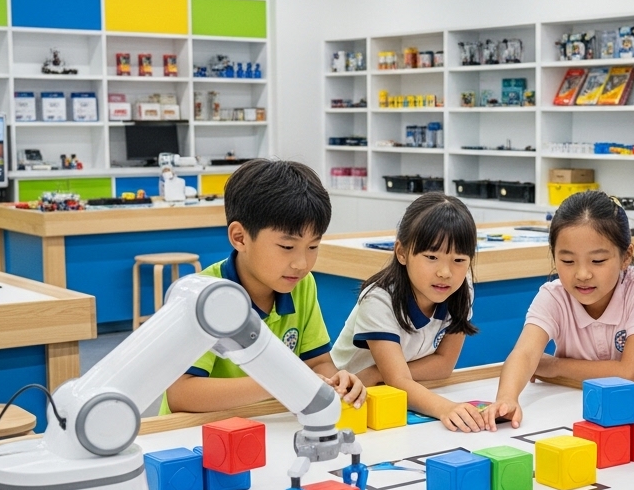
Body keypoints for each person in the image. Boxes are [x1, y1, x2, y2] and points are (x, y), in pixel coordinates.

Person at [163, 159, 366, 414]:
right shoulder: (204, 297)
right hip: (196, 434)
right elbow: (181, 395)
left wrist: (336, 382)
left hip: (266, 426)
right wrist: (281, 382)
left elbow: (317, 363)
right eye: (287, 247)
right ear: (240, 237)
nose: (302, 264)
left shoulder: (301, 285)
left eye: (313, 246)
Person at [488, 191, 634, 428]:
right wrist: (506, 399)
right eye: (567, 261)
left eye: (597, 261)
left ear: (626, 256)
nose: (582, 274)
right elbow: (524, 354)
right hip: (576, 408)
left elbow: (629, 376)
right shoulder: (553, 295)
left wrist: (553, 366)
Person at [331, 193, 484, 432]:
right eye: (431, 257)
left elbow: (444, 365)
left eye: (459, 259)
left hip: (394, 389)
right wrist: (445, 408)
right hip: (349, 401)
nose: (445, 272)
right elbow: (398, 380)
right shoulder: (379, 299)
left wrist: (376, 373)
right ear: (401, 253)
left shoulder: (463, 288)